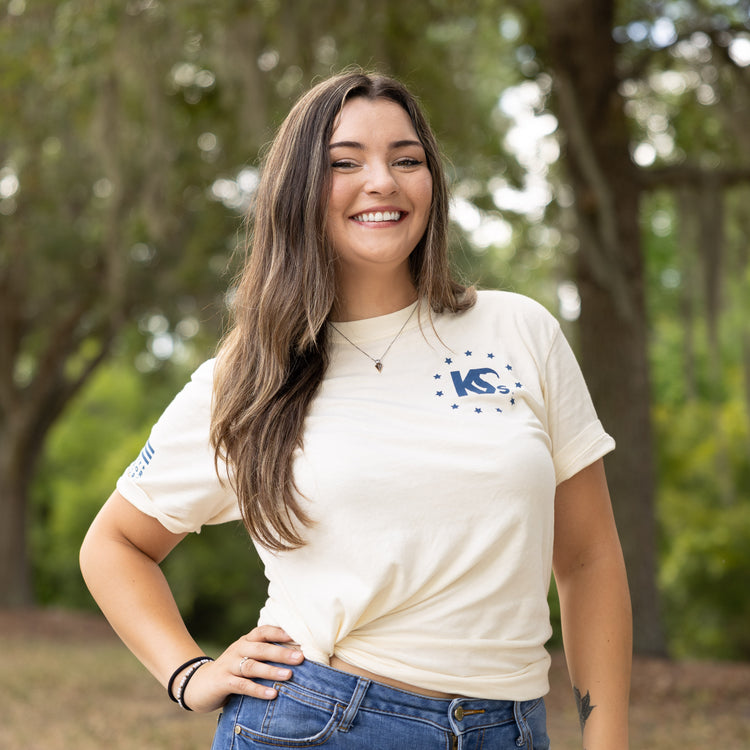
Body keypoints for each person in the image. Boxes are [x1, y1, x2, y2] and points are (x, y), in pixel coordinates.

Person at [80, 69, 631, 750]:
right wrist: (187, 673)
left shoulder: (519, 330)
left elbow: (588, 559)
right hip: (319, 724)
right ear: (298, 190)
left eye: (407, 159)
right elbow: (114, 544)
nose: (383, 182)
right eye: (345, 163)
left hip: (510, 727)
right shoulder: (252, 372)